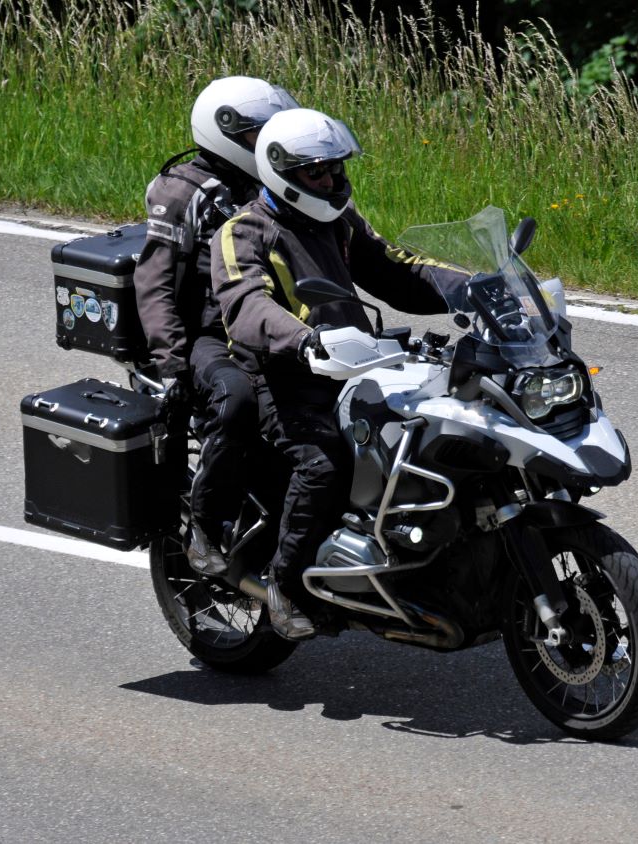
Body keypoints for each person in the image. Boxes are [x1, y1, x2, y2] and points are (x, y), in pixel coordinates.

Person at [211, 107, 464, 640]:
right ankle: (284, 586)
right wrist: (304, 341)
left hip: (357, 364)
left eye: (334, 168)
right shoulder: (244, 231)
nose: (330, 180)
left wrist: (475, 286)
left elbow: (396, 269)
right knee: (324, 465)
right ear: (281, 170)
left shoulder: (339, 223)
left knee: (431, 435)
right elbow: (245, 305)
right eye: (316, 172)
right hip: (282, 379)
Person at [133, 75, 299, 577]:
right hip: (208, 335)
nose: (268, 143)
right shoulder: (182, 190)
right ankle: (205, 524)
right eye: (257, 134)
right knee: (237, 401)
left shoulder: (272, 183)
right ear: (225, 131)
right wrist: (173, 365)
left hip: (270, 319)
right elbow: (154, 281)